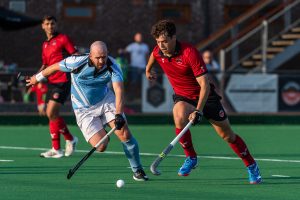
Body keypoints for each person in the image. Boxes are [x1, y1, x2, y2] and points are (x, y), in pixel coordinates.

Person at [145, 19, 261, 184]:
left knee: (227, 136)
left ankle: (251, 165)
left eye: (164, 41)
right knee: (178, 114)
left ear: (174, 38)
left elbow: (205, 84)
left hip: (205, 97)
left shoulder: (189, 52)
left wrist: (198, 110)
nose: (161, 45)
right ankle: (191, 157)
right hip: (183, 97)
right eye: (158, 42)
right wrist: (148, 69)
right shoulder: (158, 51)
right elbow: (154, 55)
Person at [26, 41, 149, 181]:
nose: (102, 60)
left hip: (105, 101)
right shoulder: (76, 62)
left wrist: (119, 114)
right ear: (90, 55)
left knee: (124, 133)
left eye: (104, 56)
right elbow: (54, 67)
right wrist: (37, 77)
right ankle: (102, 130)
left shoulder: (113, 66)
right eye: (98, 57)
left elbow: (119, 91)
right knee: (101, 146)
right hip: (83, 109)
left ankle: (137, 170)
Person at [38, 15, 78, 158]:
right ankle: (57, 148)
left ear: (56, 25)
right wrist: (36, 78)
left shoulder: (63, 39)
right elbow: (45, 64)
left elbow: (75, 55)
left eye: (52, 23)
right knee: (51, 115)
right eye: (47, 23)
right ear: (43, 25)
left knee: (51, 113)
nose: (50, 26)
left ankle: (70, 139)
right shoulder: (45, 44)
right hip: (52, 82)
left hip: (63, 80)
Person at [123, 32, 149, 100]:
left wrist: (148, 66)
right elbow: (125, 52)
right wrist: (121, 51)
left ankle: (142, 98)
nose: (139, 38)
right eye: (138, 37)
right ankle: (132, 98)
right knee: (133, 83)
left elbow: (147, 57)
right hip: (134, 67)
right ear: (135, 38)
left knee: (143, 83)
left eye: (140, 37)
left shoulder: (145, 46)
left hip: (143, 68)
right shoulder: (132, 46)